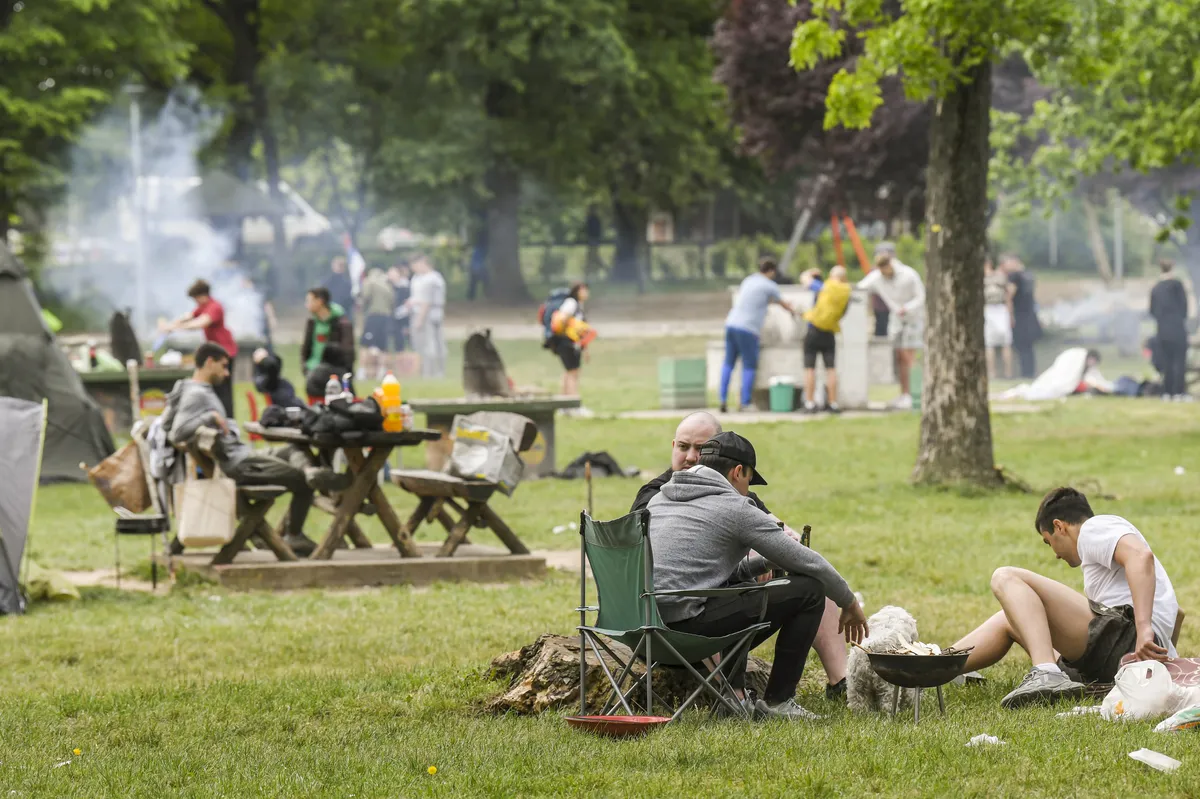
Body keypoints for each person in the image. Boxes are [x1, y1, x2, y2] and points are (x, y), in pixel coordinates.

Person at [632, 413, 854, 701]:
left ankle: (840, 681)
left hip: (640, 629)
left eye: (699, 449)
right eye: (684, 447)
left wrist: (764, 559)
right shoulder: (661, 496)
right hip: (687, 633)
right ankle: (765, 700)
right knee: (809, 587)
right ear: (738, 472)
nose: (691, 457)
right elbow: (803, 558)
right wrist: (849, 601)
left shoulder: (663, 497)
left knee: (756, 583)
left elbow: (781, 534)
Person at [953, 487, 1180, 709]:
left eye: (1048, 541)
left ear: (1058, 526)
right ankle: (931, 668)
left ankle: (1045, 672)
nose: (1055, 554)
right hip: (1123, 656)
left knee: (1005, 577)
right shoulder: (1104, 561)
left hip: (1126, 643)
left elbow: (1140, 556)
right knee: (1010, 618)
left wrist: (1144, 629)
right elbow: (1178, 615)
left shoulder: (1094, 527)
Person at [163, 343, 350, 557]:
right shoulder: (197, 394)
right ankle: (295, 533)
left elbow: (167, 425)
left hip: (242, 453)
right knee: (299, 480)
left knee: (293, 450)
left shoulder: (186, 387)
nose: (226, 373)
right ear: (209, 362)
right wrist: (209, 418)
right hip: (240, 464)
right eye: (223, 367)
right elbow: (177, 433)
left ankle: (312, 473)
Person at [720, 258, 795, 413]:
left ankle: (723, 399)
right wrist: (795, 311)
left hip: (731, 324)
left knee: (728, 364)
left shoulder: (749, 280)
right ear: (772, 271)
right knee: (749, 366)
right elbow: (784, 304)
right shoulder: (770, 285)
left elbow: (753, 301)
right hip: (748, 329)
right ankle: (745, 403)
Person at [160, 279, 239, 418]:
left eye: (196, 298)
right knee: (214, 389)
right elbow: (188, 317)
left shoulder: (215, 307)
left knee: (223, 390)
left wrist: (175, 328)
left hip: (225, 353)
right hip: (215, 354)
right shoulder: (203, 306)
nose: (195, 302)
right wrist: (170, 325)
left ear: (203, 295)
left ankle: (228, 420)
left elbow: (200, 323)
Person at [857, 248, 925, 409]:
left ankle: (917, 394)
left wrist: (907, 308)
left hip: (913, 319)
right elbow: (859, 288)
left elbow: (921, 296)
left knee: (909, 356)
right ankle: (905, 394)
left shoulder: (909, 275)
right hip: (896, 320)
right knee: (899, 357)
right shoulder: (877, 277)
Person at [802, 265, 851, 413]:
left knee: (810, 368)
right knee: (831, 369)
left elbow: (804, 278)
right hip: (829, 333)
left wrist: (811, 272)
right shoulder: (845, 292)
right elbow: (842, 313)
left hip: (814, 330)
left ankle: (810, 403)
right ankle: (833, 403)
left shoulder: (824, 287)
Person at [1149, 258, 1190, 400]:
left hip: (1162, 330)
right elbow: (1184, 308)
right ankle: (1178, 392)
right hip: (1177, 329)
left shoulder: (1156, 288)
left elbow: (1152, 311)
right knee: (1179, 361)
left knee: (1166, 362)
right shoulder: (1177, 285)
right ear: (1172, 268)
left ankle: (1166, 392)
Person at [300, 287, 356, 380]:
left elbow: (348, 350)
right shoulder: (312, 322)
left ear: (319, 301)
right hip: (313, 371)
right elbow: (306, 347)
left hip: (335, 373)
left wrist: (346, 372)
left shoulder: (341, 323)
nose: (306, 305)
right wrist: (305, 367)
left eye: (309, 301)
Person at [546, 282, 590, 398]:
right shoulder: (571, 303)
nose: (586, 293)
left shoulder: (578, 305)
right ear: (578, 291)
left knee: (569, 371)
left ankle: (564, 402)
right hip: (567, 341)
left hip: (570, 341)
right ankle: (572, 402)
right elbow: (562, 319)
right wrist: (574, 329)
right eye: (584, 290)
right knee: (573, 373)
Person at [407, 253, 447, 379]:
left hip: (427, 315)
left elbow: (427, 301)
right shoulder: (418, 278)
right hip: (422, 311)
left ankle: (432, 372)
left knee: (430, 345)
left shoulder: (432, 279)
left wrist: (420, 319)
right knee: (425, 344)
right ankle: (426, 370)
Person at [1002, 255, 1040, 379]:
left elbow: (1009, 296)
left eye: (1006, 263)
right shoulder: (1029, 274)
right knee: (1029, 346)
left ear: (1014, 262)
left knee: (1022, 345)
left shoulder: (1014, 276)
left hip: (1019, 314)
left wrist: (1010, 315)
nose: (1005, 266)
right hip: (1030, 314)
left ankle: (1025, 373)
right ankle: (1030, 372)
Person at [359, 267, 396, 380]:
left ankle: (362, 372)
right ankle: (382, 372)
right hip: (385, 317)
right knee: (383, 346)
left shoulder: (370, 282)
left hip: (373, 316)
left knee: (365, 345)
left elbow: (365, 297)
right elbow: (392, 302)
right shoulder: (388, 285)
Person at [983, 256, 1015, 380]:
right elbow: (1009, 295)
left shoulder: (982, 279)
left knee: (991, 344)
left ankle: (993, 373)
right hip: (999, 310)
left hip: (990, 309)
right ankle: (1007, 374)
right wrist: (1011, 314)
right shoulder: (1000, 277)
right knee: (1004, 343)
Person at [388, 263, 412, 361]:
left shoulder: (405, 287)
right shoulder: (389, 286)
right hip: (391, 318)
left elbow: (407, 304)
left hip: (401, 318)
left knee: (400, 341)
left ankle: (402, 362)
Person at [323, 256, 355, 325]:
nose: (340, 268)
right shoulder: (327, 282)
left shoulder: (347, 284)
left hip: (343, 317)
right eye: (338, 265)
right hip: (331, 316)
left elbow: (349, 301)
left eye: (341, 265)